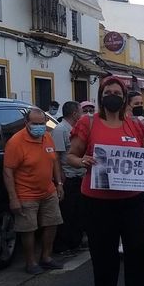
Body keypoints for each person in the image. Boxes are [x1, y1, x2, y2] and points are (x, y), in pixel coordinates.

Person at [67, 76, 144, 286]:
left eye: (117, 92)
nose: (113, 95)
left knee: (139, 253)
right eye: (108, 91)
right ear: (101, 95)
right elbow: (72, 156)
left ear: (124, 96)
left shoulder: (135, 126)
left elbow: (141, 155)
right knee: (104, 257)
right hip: (98, 202)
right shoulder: (88, 123)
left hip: (133, 201)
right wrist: (83, 161)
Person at [3, 107, 64, 274]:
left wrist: (59, 183)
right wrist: (13, 198)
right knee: (28, 229)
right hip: (26, 193)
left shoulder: (47, 137)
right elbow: (8, 171)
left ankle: (47, 257)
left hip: (48, 191)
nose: (39, 126)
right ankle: (30, 262)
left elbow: (55, 161)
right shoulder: (16, 142)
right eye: (35, 124)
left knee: (53, 223)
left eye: (41, 123)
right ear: (26, 123)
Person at [52, 101, 86, 255]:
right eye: (80, 111)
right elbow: (57, 157)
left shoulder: (75, 128)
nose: (82, 114)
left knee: (78, 212)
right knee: (67, 212)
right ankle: (62, 245)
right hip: (68, 177)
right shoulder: (60, 130)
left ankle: (75, 242)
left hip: (79, 175)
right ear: (74, 114)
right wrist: (59, 179)